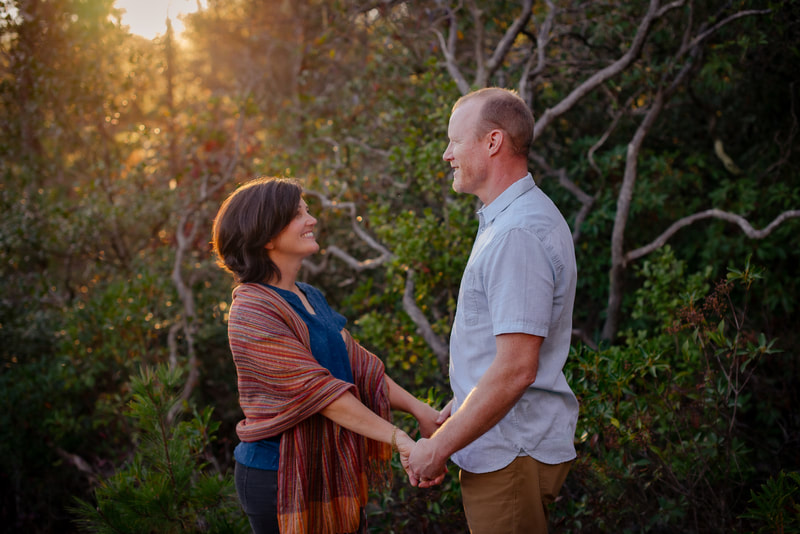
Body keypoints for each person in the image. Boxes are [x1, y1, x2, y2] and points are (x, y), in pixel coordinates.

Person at [212, 177, 440, 534]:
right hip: (277, 475)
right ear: (267, 237)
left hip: (328, 470)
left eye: (307, 210)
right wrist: (400, 439)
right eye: (297, 214)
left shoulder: (309, 296)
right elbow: (321, 393)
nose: (312, 219)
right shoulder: (251, 312)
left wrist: (422, 411)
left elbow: (360, 366)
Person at [406, 87, 579, 534]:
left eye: (454, 141)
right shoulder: (506, 221)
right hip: (504, 451)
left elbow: (517, 369)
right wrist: (461, 406)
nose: (446, 154)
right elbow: (499, 355)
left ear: (493, 142)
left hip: (511, 456)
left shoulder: (517, 233)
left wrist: (439, 446)